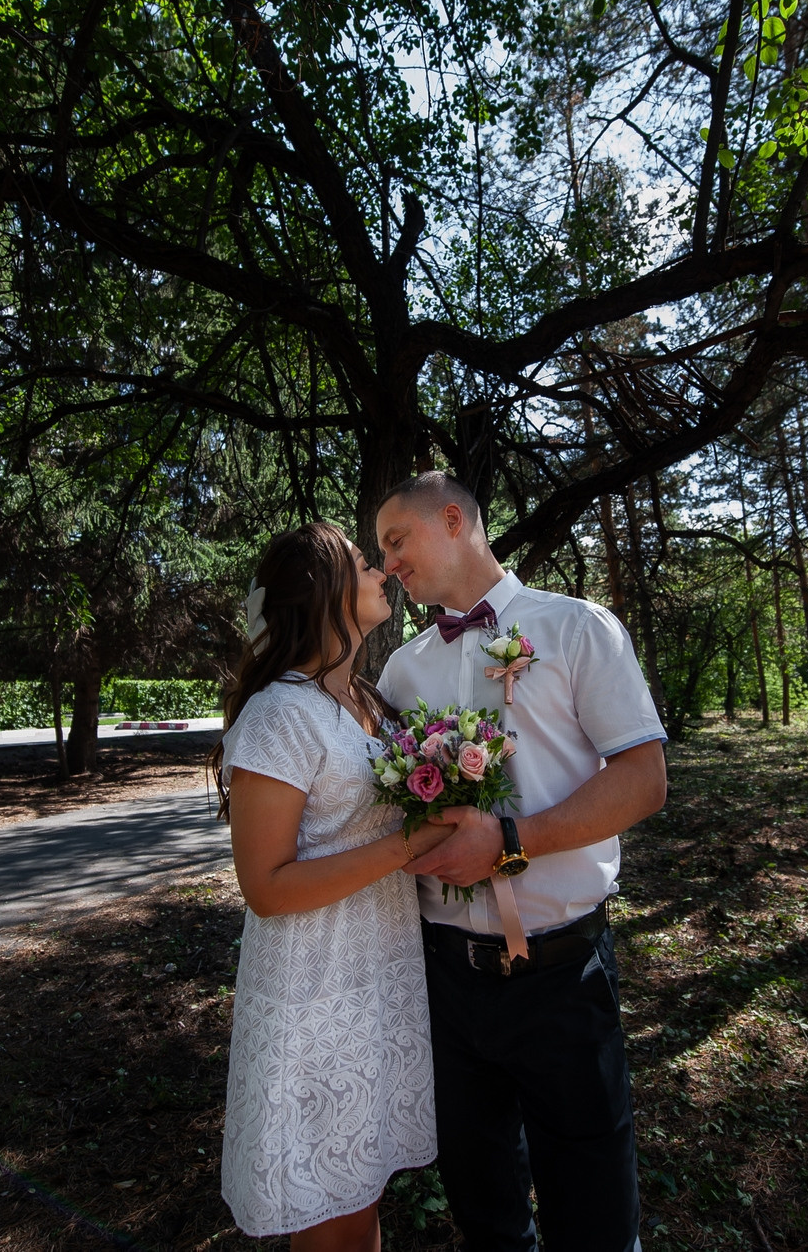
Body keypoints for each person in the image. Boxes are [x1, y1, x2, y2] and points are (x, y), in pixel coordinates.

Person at [375, 472, 669, 1252]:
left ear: (452, 518)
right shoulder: (400, 673)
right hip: (445, 981)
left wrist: (511, 841)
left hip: (562, 975)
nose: (389, 564)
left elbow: (644, 780)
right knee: (487, 1214)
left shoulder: (576, 628)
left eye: (395, 540)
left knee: (596, 1217)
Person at [215, 522, 456, 1251]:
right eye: (359, 560)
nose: (381, 568)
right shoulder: (278, 712)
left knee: (363, 1194)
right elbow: (266, 885)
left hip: (377, 974)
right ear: (320, 589)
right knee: (329, 1208)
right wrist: (406, 843)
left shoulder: (368, 702)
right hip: (314, 992)